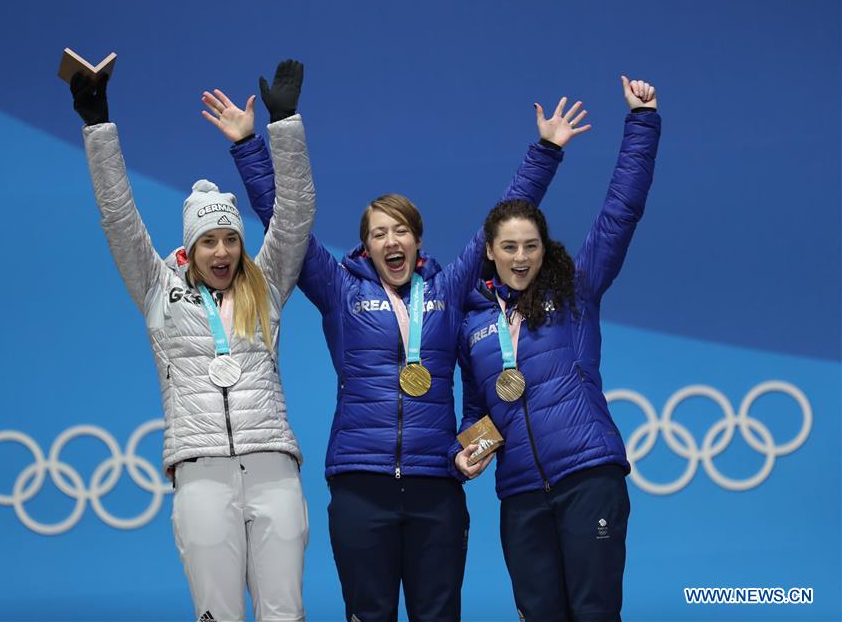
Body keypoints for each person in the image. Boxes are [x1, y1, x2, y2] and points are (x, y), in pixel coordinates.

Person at [210, 60, 591, 622]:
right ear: (365, 247)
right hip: (361, 487)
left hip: (436, 488)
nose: (392, 240)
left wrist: (547, 151)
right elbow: (282, 221)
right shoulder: (339, 288)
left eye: (401, 230)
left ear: (417, 240)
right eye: (379, 232)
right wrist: (256, 141)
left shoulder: (447, 286)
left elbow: (500, 221)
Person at [69, 63, 315, 622]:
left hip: (273, 466)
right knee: (217, 614)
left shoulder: (266, 283)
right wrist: (98, 127)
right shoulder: (158, 288)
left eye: (232, 239)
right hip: (200, 471)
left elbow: (296, 214)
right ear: (191, 249)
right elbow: (119, 219)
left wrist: (285, 124)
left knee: (285, 613)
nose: (223, 251)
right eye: (210, 241)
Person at [452, 76, 661, 622]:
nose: (520, 257)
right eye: (508, 247)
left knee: (593, 613)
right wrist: (469, 449)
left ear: (545, 250)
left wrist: (642, 123)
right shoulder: (472, 323)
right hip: (520, 494)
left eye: (531, 246)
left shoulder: (577, 292)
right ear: (490, 254)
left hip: (587, 477)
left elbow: (621, 212)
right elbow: (479, 409)